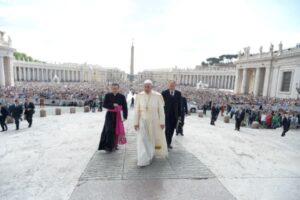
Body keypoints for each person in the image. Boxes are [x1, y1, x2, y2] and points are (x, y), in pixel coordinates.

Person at [134, 80, 168, 167]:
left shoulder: (158, 96)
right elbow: (136, 111)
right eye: (145, 86)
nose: (146, 88)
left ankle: (154, 152)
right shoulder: (139, 96)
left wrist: (162, 122)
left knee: (155, 138)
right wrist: (136, 122)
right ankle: (144, 156)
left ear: (151, 87)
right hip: (143, 121)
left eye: (148, 86)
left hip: (155, 121)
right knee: (143, 139)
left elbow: (161, 111)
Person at [98, 83, 128, 152]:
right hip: (109, 115)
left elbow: (125, 107)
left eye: (116, 88)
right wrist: (112, 105)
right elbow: (104, 105)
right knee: (109, 130)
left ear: (118, 89)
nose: (114, 90)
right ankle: (108, 146)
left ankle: (115, 145)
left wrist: (125, 116)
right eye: (113, 88)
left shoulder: (122, 96)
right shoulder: (107, 95)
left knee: (116, 131)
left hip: (118, 115)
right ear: (111, 88)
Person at [161, 80, 182, 149]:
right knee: (168, 130)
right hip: (166, 115)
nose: (172, 86)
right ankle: (166, 144)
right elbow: (161, 105)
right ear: (168, 85)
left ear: (175, 86)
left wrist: (179, 116)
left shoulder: (178, 93)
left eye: (173, 85)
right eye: (170, 85)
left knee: (172, 131)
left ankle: (169, 143)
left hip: (175, 116)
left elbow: (180, 106)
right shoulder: (164, 93)